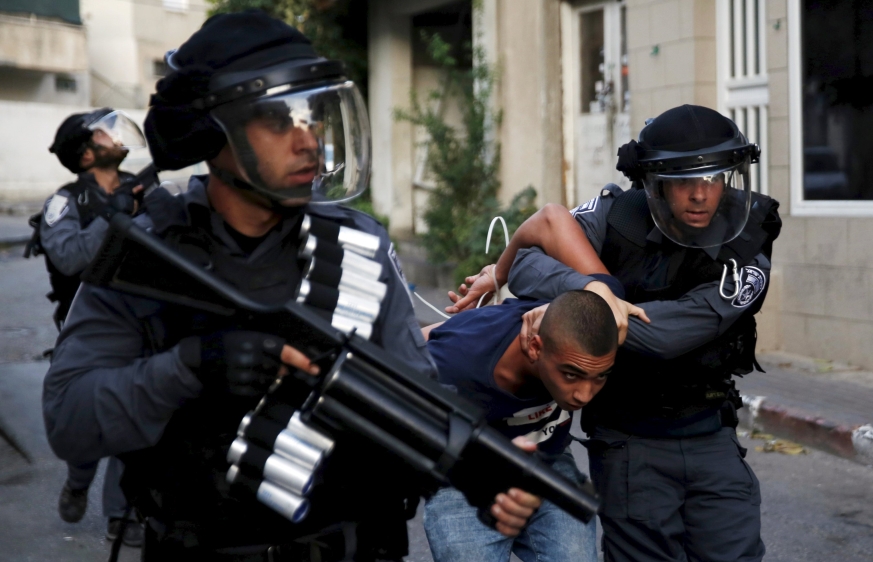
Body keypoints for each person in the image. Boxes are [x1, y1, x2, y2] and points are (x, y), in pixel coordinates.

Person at [42, 10, 539, 561]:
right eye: (279, 121)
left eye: (314, 117)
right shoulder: (148, 255)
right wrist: (189, 368)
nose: (310, 141)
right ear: (213, 131)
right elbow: (69, 421)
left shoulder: (358, 248)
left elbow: (412, 397)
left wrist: (473, 470)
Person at [446, 105, 782, 562]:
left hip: (709, 434)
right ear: (654, 183)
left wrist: (571, 311)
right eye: (682, 180)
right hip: (627, 439)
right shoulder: (617, 214)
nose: (701, 194)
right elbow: (526, 263)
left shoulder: (748, 242)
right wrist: (594, 291)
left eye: (713, 178)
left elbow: (663, 337)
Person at [421, 291, 618, 562]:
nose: (584, 395)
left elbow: (599, 283)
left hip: (546, 458)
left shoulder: (567, 323)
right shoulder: (456, 364)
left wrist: (498, 272)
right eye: (571, 374)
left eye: (600, 376)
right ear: (535, 347)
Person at [29, 107, 148, 546]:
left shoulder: (142, 187)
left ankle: (121, 511)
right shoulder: (62, 203)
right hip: (88, 327)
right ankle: (79, 480)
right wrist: (112, 218)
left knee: (133, 412)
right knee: (86, 417)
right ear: (85, 154)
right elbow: (68, 257)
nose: (114, 137)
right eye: (103, 134)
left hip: (142, 319)